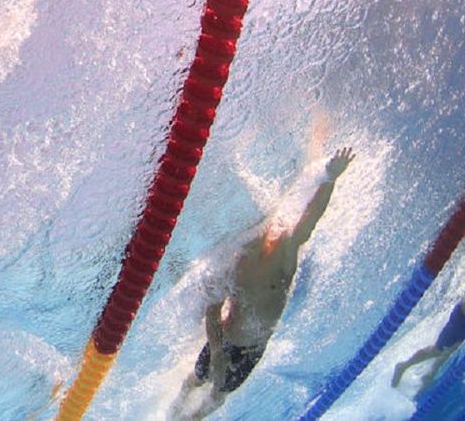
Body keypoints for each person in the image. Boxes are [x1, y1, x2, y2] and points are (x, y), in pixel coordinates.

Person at [169, 147, 356, 420]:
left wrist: (330, 179)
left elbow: (310, 219)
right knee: (196, 380)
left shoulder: (284, 252)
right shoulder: (234, 263)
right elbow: (212, 311)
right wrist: (218, 352)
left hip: (253, 348)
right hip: (225, 340)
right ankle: (175, 409)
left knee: (217, 398)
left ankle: (189, 419)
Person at [392, 298, 465, 394]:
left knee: (450, 350)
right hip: (460, 319)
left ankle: (429, 375)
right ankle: (403, 366)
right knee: (437, 350)